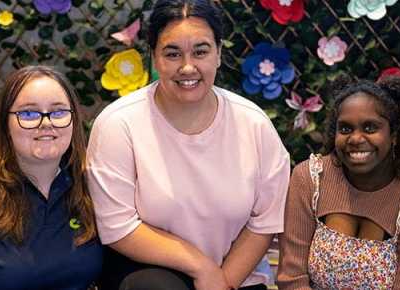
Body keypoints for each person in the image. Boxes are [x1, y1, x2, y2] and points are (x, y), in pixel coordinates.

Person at [86, 1, 290, 289]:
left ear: (218, 54)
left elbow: (264, 222)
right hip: (148, 274)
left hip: (235, 275)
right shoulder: (119, 124)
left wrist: (222, 281)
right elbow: (119, 227)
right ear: (154, 58)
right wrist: (200, 266)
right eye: (172, 54)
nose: (187, 66)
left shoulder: (253, 124)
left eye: (201, 51)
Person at [0, 66, 104, 290]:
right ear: (5, 124)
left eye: (59, 112)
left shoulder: (90, 185)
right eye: (28, 114)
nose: (46, 123)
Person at [277, 75, 400, 289]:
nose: (355, 138)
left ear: (394, 135)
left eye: (370, 127)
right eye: (345, 129)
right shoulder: (310, 178)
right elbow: (292, 278)